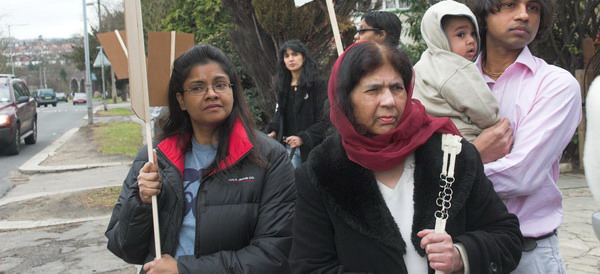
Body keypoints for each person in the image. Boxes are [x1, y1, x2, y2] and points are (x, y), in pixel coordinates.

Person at [290, 41, 523, 273]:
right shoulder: (321, 172)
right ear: (345, 98)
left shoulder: (452, 155)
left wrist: (461, 255)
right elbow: (309, 266)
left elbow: (506, 236)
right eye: (373, 90)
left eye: (397, 88)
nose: (389, 101)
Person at [105, 44, 295, 273]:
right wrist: (142, 201)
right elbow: (123, 247)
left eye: (220, 84)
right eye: (197, 88)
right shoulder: (155, 157)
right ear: (181, 100)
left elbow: (273, 254)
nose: (212, 93)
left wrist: (184, 270)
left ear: (233, 91)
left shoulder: (269, 158)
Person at [468, 0, 582, 273]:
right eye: (510, 4)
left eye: (533, 7)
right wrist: (475, 155)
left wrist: (448, 172)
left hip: (527, 253)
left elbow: (521, 174)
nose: (523, 15)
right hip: (462, 252)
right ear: (484, 14)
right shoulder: (451, 81)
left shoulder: (556, 84)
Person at [413, 0, 501, 141]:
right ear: (439, 37)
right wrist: (496, 123)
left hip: (431, 138)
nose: (471, 40)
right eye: (461, 34)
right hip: (463, 136)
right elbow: (483, 109)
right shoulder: (456, 67)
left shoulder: (422, 64)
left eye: (473, 33)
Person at [267, 40, 328, 167]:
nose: (291, 59)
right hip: (289, 148)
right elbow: (280, 112)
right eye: (287, 56)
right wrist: (274, 130)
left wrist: (303, 137)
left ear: (303, 57)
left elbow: (324, 119)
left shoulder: (317, 83)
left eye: (295, 54)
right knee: (295, 184)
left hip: (313, 149)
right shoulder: (282, 85)